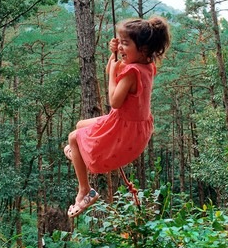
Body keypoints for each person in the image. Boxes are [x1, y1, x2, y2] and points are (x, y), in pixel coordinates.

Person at [64, 16, 171, 218]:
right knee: (81, 124)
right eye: (120, 42)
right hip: (135, 126)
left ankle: (84, 189)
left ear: (144, 49)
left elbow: (114, 100)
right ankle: (80, 156)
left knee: (73, 137)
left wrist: (114, 68)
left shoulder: (132, 72)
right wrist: (112, 58)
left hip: (122, 128)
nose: (121, 47)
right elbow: (112, 72)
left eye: (126, 43)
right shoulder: (146, 66)